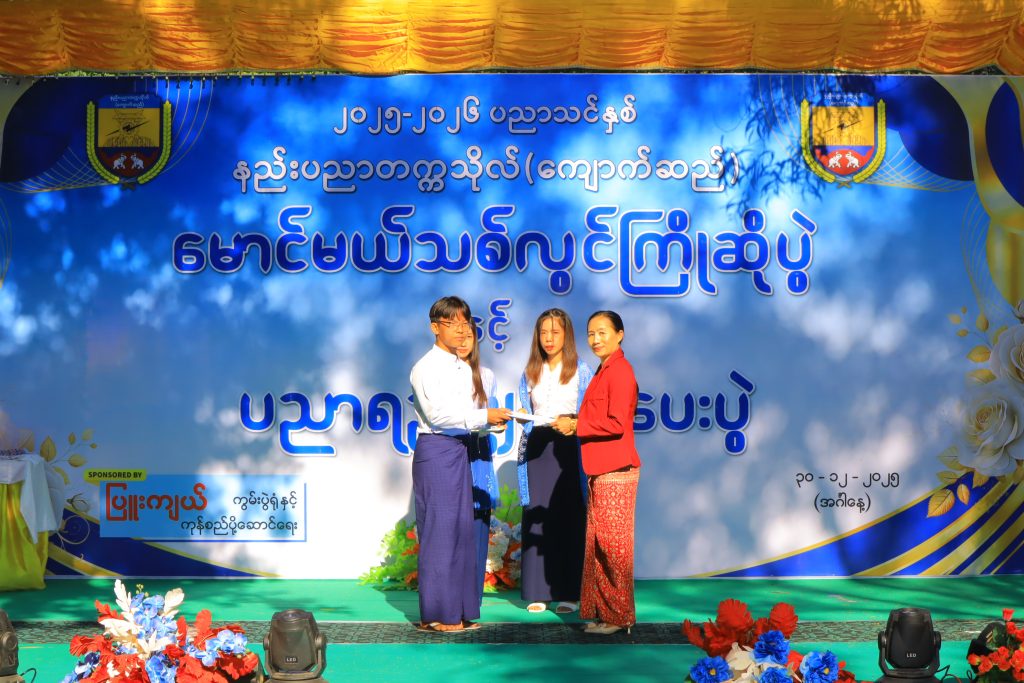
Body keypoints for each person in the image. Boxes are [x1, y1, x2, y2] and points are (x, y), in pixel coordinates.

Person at [410, 296, 510, 633]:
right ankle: (437, 615)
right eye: (451, 323)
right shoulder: (426, 367)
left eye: (465, 322)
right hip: (437, 450)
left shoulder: (463, 368)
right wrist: (483, 416)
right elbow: (437, 416)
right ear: (434, 327)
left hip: (461, 448)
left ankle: (459, 611)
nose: (460, 329)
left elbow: (468, 417)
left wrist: (492, 423)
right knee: (441, 534)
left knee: (462, 534)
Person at [553, 310, 640, 635]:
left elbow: (616, 423)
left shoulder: (621, 372)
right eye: (591, 333)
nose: (595, 339)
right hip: (600, 469)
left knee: (614, 549)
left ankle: (619, 617)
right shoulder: (604, 370)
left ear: (620, 334)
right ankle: (605, 613)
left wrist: (577, 425)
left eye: (602, 332)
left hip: (616, 470)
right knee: (599, 544)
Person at [516, 308, 593, 614]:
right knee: (538, 515)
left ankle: (570, 592)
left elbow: (590, 413)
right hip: (538, 447)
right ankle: (538, 590)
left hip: (569, 447)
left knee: (569, 515)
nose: (549, 339)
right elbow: (526, 407)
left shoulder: (581, 370)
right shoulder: (530, 371)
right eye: (543, 333)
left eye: (555, 332)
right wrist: (522, 417)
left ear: (566, 335)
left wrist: (573, 422)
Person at [455, 324, 502, 609]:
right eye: (458, 335)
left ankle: (473, 599)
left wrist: (498, 422)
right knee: (453, 524)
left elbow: (489, 415)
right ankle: (452, 597)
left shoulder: (486, 375)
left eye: (469, 336)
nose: (463, 342)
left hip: (479, 451)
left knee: (478, 523)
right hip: (452, 449)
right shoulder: (441, 375)